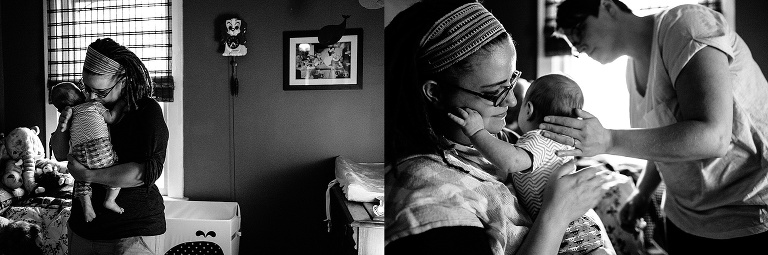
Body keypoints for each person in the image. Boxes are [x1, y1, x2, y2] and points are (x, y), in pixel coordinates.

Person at [385, 1, 619, 254]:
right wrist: (557, 215)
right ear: (434, 93)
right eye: (495, 92)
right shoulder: (428, 203)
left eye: (512, 81)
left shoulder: (503, 139)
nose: (512, 101)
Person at [542, 0, 768, 254]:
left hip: (743, 213)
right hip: (684, 219)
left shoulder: (684, 25)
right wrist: (642, 193)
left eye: (578, 29)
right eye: (571, 43)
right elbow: (662, 139)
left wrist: (608, 140)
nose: (578, 46)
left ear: (607, 5)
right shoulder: (632, 70)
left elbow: (713, 137)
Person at [448, 74, 609, 254]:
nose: (513, 101)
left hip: (567, 230)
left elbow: (511, 161)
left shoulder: (539, 138)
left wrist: (477, 132)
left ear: (529, 110)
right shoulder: (559, 141)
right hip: (577, 226)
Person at [50, 38, 169, 255]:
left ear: (123, 80)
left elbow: (144, 173)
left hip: (132, 230)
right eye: (86, 88)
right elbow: (59, 153)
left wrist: (87, 175)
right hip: (82, 228)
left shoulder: (146, 111)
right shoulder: (82, 109)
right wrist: (63, 122)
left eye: (100, 92)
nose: (92, 96)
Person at [49, 82, 125, 223]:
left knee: (81, 180)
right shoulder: (95, 105)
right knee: (116, 169)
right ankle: (110, 200)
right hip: (100, 150)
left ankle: (87, 206)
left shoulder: (71, 116)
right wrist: (121, 104)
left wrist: (65, 122)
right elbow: (112, 118)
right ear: (82, 94)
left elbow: (61, 154)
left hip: (80, 154)